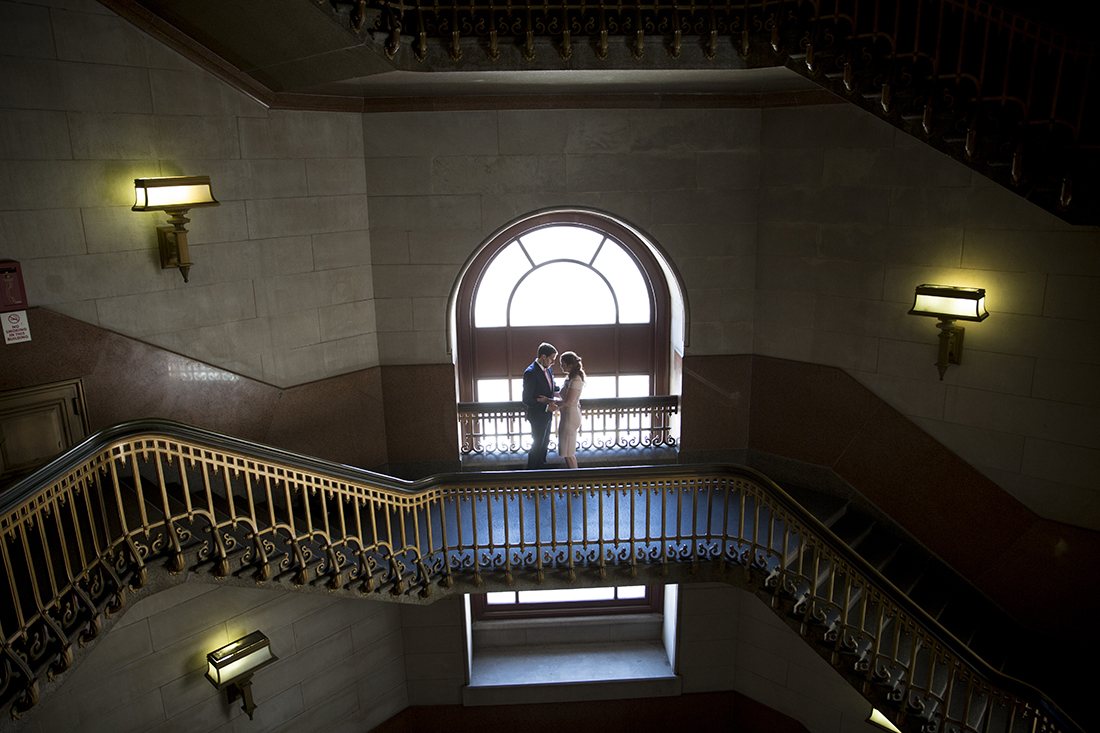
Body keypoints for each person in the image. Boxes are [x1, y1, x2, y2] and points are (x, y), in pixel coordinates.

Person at [521, 342, 559, 469]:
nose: (553, 362)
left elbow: (551, 386)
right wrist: (546, 407)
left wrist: (568, 390)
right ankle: (532, 475)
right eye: (551, 359)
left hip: (547, 414)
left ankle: (542, 470)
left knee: (545, 444)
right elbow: (527, 399)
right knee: (537, 445)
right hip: (537, 415)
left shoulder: (548, 368)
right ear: (543, 356)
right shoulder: (530, 372)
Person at [553, 351, 586, 469]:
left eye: (563, 364)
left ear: (570, 366)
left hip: (570, 417)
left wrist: (548, 401)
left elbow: (568, 402)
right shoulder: (571, 379)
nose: (561, 366)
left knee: (569, 452)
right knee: (567, 451)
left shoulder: (576, 380)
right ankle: (573, 480)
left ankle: (574, 482)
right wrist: (549, 394)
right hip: (568, 415)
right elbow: (564, 396)